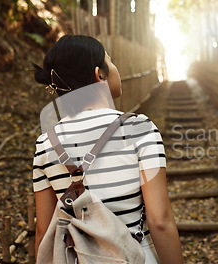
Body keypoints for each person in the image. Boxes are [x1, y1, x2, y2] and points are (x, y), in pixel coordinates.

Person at [32, 35, 183, 264]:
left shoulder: (46, 143)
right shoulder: (139, 129)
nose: (115, 68)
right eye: (111, 62)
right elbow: (160, 221)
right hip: (134, 255)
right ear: (99, 73)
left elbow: (44, 233)